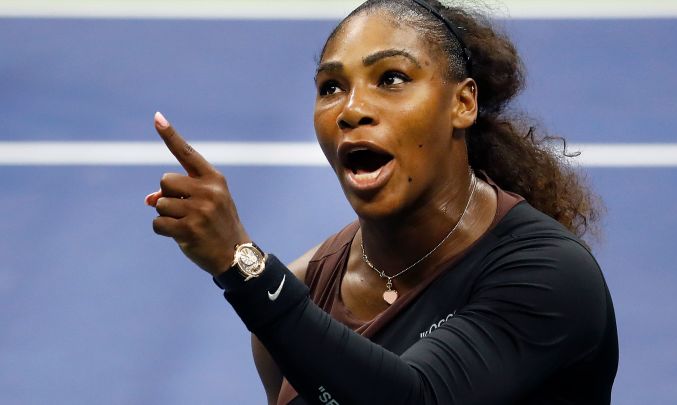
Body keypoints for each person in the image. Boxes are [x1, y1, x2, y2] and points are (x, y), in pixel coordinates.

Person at [146, 0, 618, 403]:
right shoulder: (303, 289)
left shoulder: (551, 276)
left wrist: (244, 270)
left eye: (391, 78)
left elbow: (418, 396)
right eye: (331, 87)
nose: (351, 110)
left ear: (463, 103)